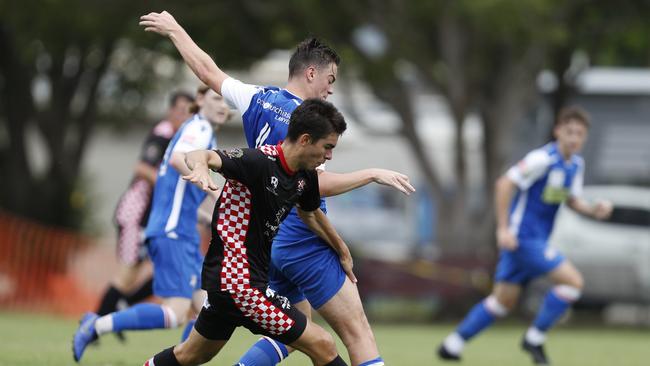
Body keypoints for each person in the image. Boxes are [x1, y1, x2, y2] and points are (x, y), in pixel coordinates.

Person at [140, 11, 415, 366]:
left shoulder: (260, 97)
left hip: (267, 240)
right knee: (349, 334)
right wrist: (371, 173)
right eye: (330, 79)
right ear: (311, 72)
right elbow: (316, 187)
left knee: (286, 333)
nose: (331, 89)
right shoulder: (308, 128)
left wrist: (176, 30)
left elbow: (209, 71)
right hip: (298, 238)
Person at [144, 98, 351, 366]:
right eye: (328, 147)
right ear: (305, 140)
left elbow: (310, 213)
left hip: (235, 283)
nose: (329, 156)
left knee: (191, 355)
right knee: (322, 343)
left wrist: (342, 250)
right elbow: (199, 155)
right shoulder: (258, 161)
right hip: (238, 284)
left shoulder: (305, 176)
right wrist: (200, 169)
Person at [437, 106, 614, 365]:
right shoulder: (542, 159)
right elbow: (504, 183)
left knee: (502, 302)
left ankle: (451, 345)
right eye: (569, 132)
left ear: (585, 137)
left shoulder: (575, 164)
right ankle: (534, 338)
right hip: (523, 239)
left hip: (534, 240)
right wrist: (503, 229)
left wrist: (594, 209)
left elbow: (572, 201)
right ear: (558, 131)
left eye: (580, 133)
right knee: (572, 283)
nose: (574, 138)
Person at [72, 85, 231, 363]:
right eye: (216, 98)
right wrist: (215, 190)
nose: (222, 106)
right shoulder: (200, 129)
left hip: (181, 232)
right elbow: (177, 160)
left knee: (207, 308)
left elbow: (182, 195)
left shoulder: (200, 129)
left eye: (226, 102)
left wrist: (213, 214)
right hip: (173, 234)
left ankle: (180, 361)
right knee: (175, 313)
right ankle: (96, 324)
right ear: (201, 100)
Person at [95, 91, 194, 342]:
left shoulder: (179, 138)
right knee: (128, 274)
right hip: (136, 216)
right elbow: (141, 168)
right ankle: (96, 325)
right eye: (181, 110)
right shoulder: (162, 134)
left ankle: (120, 309)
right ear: (170, 111)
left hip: (152, 220)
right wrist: (169, 181)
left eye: (188, 111)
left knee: (162, 269)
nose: (184, 116)